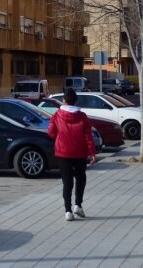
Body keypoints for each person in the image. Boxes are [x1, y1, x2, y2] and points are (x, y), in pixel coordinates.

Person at [48, 88, 96, 221]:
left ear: (64, 100)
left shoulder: (57, 115)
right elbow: (88, 136)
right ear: (75, 101)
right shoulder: (82, 117)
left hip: (63, 152)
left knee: (67, 182)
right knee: (80, 178)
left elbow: (51, 132)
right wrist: (92, 152)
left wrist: (60, 137)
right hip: (80, 153)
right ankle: (78, 205)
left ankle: (67, 211)